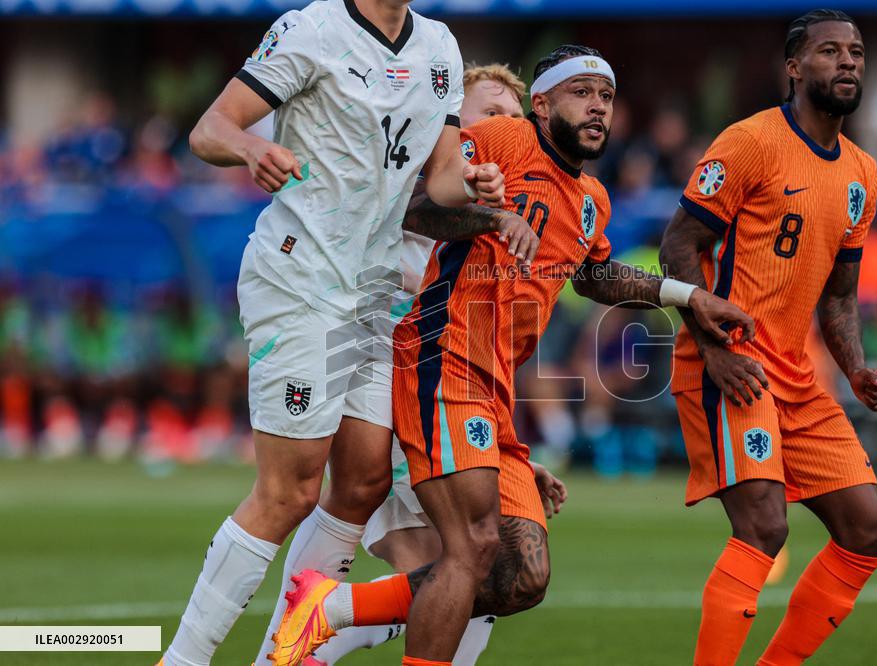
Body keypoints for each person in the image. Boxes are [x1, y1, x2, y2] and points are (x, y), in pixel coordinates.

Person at [267, 44, 754, 666]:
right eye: (582, 93)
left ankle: (330, 609)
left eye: (605, 96)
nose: (598, 107)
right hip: (442, 359)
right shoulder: (504, 139)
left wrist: (686, 295)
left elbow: (593, 275)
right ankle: (315, 618)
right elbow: (413, 208)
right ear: (542, 103)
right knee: (469, 550)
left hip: (494, 392)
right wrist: (492, 217)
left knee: (520, 576)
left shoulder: (592, 200)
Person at [156, 0, 507, 663]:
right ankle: (182, 659)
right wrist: (252, 145)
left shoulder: (438, 46)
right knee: (289, 490)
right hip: (300, 276)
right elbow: (210, 129)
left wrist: (476, 181)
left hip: (371, 290)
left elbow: (440, 177)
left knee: (364, 482)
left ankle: (284, 656)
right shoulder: (310, 29)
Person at [291, 63, 568, 666]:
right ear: (449, 118)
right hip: (393, 384)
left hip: (442, 400)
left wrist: (506, 453)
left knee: (472, 575)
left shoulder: (479, 219)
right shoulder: (410, 197)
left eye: (516, 121)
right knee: (462, 556)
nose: (508, 132)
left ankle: (312, 631)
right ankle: (288, 642)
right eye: (492, 114)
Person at [658, 10, 877, 665]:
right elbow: (679, 246)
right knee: (763, 526)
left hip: (795, 371)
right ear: (794, 67)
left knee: (869, 530)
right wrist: (712, 351)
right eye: (829, 51)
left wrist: (856, 369)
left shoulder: (862, 174)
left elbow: (840, 296)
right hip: (730, 361)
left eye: (855, 52)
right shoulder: (751, 141)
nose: (847, 62)